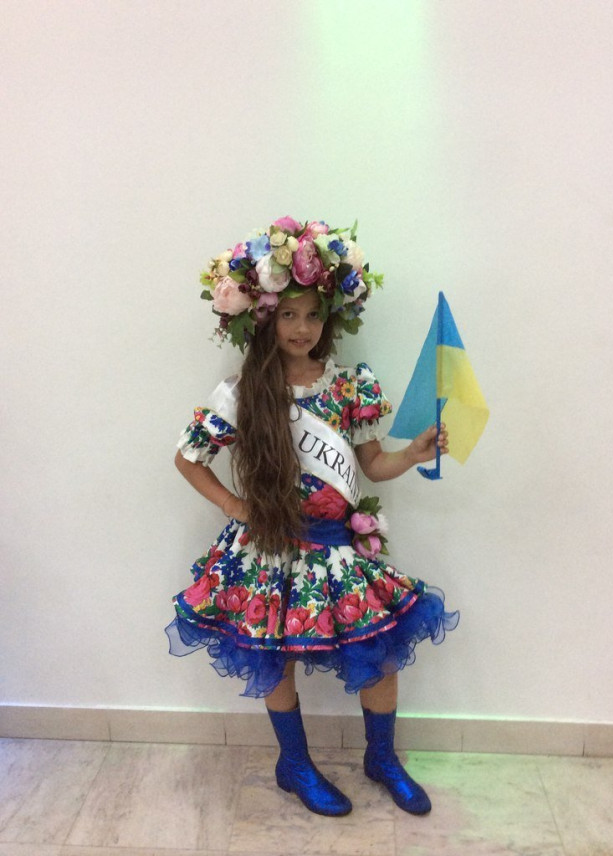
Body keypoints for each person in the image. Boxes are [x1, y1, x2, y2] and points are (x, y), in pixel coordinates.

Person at [166, 216, 459, 818]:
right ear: (263, 318)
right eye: (289, 315)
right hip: (270, 547)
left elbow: (371, 466)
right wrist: (235, 506)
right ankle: (295, 764)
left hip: (336, 544)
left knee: (378, 650)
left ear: (331, 319)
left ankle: (382, 758)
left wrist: (412, 453)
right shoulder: (243, 392)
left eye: (314, 315)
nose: (302, 328)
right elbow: (188, 459)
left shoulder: (350, 386)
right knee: (273, 657)